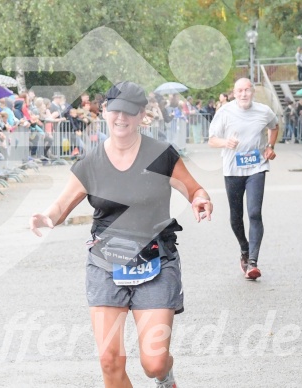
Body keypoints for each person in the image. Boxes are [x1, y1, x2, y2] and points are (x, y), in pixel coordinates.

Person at [30, 81, 213, 388]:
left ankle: (165, 375)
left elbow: (193, 188)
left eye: (130, 112)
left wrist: (200, 199)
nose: (121, 118)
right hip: (106, 263)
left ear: (142, 115)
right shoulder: (91, 163)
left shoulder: (161, 155)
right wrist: (47, 217)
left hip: (155, 259)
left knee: (152, 363)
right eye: (115, 111)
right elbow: (61, 205)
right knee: (110, 362)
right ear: (105, 112)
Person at [208, 78, 278, 280]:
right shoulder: (224, 112)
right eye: (240, 91)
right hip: (232, 169)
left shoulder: (263, 111)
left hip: (257, 167)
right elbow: (212, 140)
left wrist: (270, 147)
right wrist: (225, 142)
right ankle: (244, 249)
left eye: (247, 90)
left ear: (253, 92)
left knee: (255, 212)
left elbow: (274, 126)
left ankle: (253, 263)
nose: (244, 94)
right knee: (236, 216)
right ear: (234, 93)